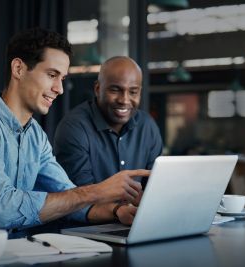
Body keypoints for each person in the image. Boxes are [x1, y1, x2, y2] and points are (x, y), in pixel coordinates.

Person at [0, 28, 149, 250]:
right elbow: (3, 210)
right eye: (52, 75)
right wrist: (98, 190)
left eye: (62, 78)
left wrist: (117, 211)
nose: (59, 89)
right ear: (19, 68)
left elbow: (71, 199)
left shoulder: (35, 136)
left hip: (12, 254)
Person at [54, 56, 163, 222]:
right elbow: (81, 196)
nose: (124, 100)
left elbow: (156, 189)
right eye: (115, 90)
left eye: (133, 92)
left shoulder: (147, 126)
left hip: (135, 223)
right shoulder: (74, 127)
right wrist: (122, 206)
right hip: (83, 232)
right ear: (98, 89)